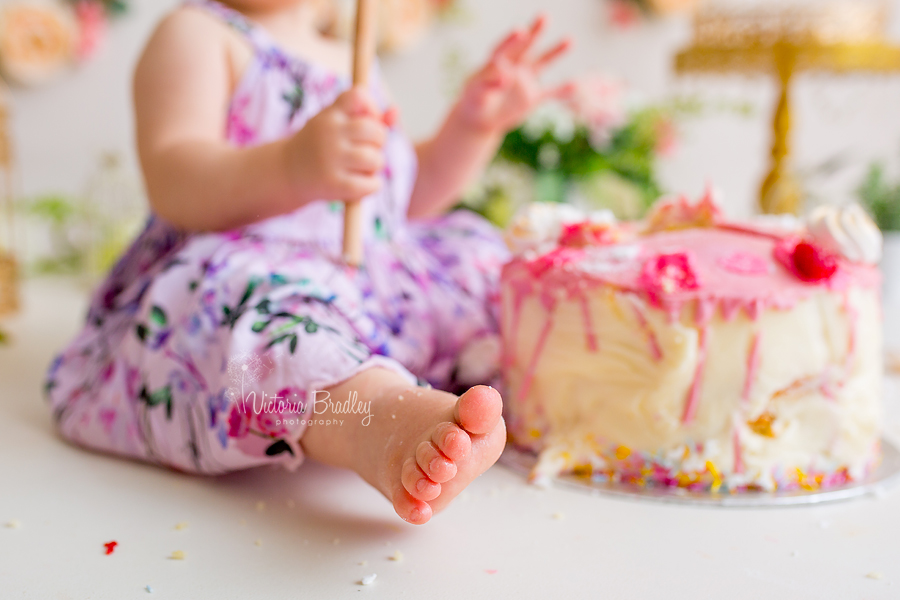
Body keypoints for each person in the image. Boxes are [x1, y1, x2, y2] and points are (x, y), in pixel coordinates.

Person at [46, 0, 571, 524]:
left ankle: (552, 386)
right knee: (273, 349)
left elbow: (392, 203)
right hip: (247, 278)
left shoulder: (350, 56)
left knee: (481, 264)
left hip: (371, 277)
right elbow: (174, 179)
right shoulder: (198, 34)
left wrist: (472, 128)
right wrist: (292, 166)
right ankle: (383, 419)